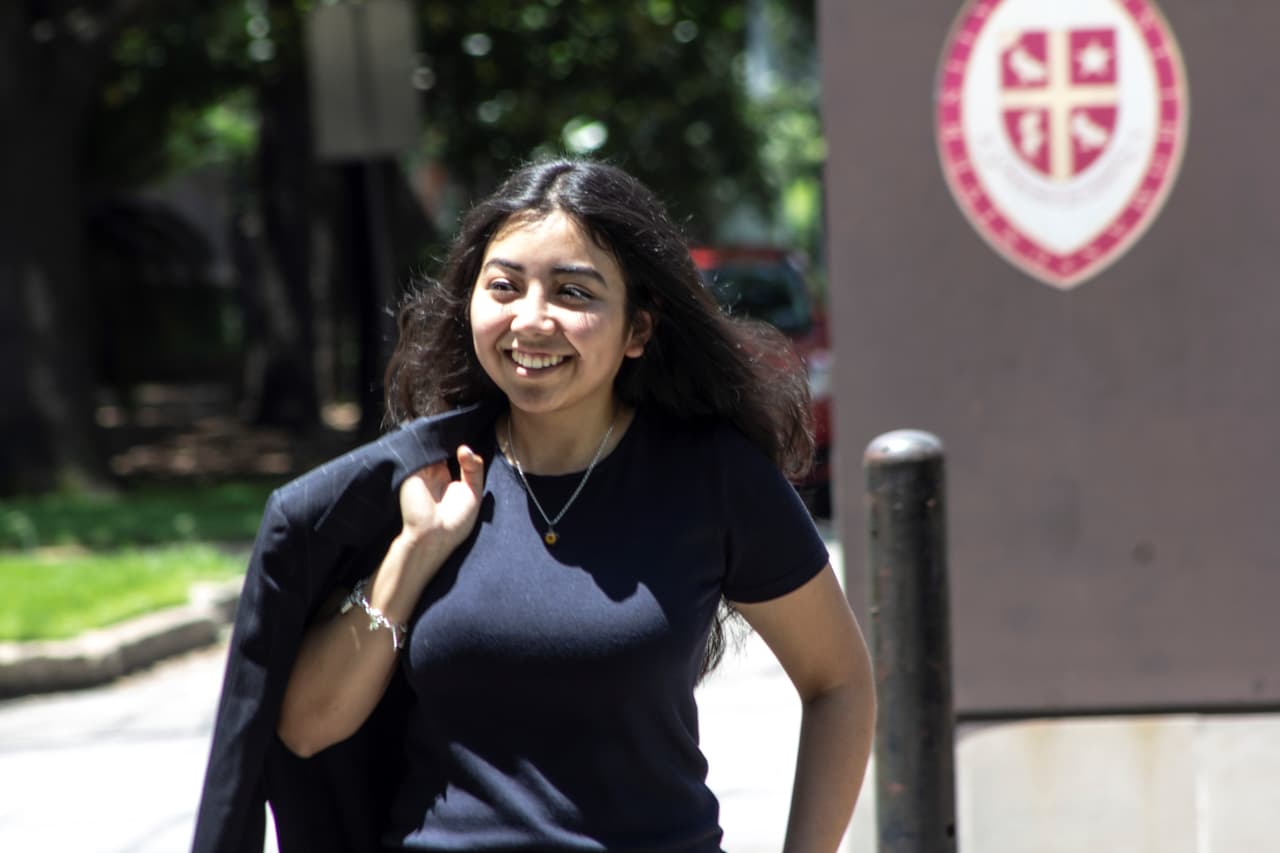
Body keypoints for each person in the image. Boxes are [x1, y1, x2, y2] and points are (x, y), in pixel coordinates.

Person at [196, 158, 875, 853]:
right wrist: (411, 556)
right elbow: (306, 726)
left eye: (573, 292)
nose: (531, 319)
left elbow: (839, 681)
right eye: (505, 286)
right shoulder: (415, 484)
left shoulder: (713, 478)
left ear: (638, 329)